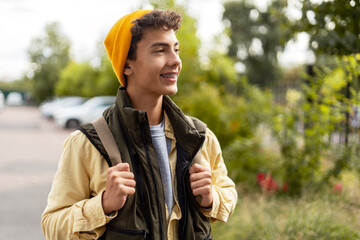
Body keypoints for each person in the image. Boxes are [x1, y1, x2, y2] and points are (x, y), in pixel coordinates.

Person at [41, 9, 237, 240]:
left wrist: (210, 197)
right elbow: (51, 225)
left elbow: (228, 194)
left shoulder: (199, 137)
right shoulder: (86, 144)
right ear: (127, 65)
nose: (175, 61)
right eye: (160, 51)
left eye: (175, 49)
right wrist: (102, 205)